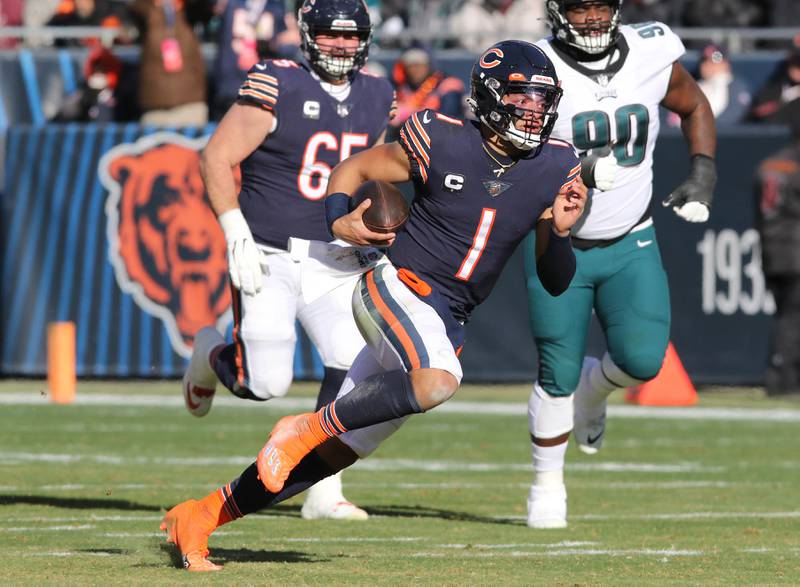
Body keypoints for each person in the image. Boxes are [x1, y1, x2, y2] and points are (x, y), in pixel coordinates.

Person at [161, 40, 588, 571]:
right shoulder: (440, 139)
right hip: (396, 283)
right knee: (437, 381)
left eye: (543, 101)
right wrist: (339, 219)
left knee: (334, 455)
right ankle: (301, 428)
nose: (535, 111)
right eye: (523, 98)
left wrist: (564, 235)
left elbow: (555, 279)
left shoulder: (558, 164)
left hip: (448, 315)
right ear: (491, 97)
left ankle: (199, 518)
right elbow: (352, 169)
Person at [183, 0, 395, 523]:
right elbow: (216, 156)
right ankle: (210, 352)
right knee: (265, 384)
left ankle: (325, 489)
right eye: (329, 35)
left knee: (351, 370)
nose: (341, 45)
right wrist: (236, 231)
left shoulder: (378, 92)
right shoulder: (277, 80)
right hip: (271, 253)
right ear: (306, 35)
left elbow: (377, 172)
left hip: (338, 258)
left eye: (351, 36)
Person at [522, 0, 717, 529]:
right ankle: (546, 485)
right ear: (558, 12)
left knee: (642, 362)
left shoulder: (651, 51)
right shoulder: (535, 66)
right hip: (556, 237)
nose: (591, 18)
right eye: (580, 7)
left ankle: (596, 390)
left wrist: (703, 170)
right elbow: (507, 153)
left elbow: (694, 104)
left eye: (601, 6)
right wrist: (575, 167)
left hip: (631, 238)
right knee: (556, 370)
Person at [756, 123, 800, 396]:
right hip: (796, 250)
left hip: (771, 249)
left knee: (786, 312)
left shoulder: (768, 164)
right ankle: (782, 378)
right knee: (793, 317)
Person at [211, 0, 286, 120]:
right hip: (230, 87)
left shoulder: (276, 6)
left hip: (261, 89)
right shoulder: (231, 4)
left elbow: (285, 45)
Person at [389, 45, 465, 132]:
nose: (416, 70)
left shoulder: (447, 85)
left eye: (419, 65)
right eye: (411, 66)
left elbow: (448, 119)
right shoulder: (400, 88)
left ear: (428, 65)